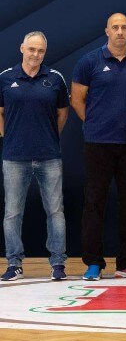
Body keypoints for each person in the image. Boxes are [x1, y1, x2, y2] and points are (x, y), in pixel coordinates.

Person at [71, 12, 126, 280]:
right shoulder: (89, 61)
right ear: (107, 31)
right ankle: (93, 262)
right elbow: (77, 99)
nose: (119, 32)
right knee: (94, 202)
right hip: (98, 144)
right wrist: (95, 122)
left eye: (124, 27)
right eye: (114, 27)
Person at [0, 31, 69, 281]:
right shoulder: (5, 78)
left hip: (49, 155)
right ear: (22, 48)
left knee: (55, 211)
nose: (35, 54)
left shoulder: (55, 78)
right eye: (31, 49)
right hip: (14, 156)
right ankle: (14, 263)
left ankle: (58, 263)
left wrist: (48, 135)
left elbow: (62, 113)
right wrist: (8, 136)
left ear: (44, 53)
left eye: (40, 50)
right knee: (12, 212)